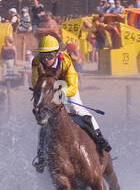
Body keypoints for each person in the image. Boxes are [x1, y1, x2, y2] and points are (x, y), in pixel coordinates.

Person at [31, 34, 110, 174]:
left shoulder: (66, 61)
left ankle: (100, 139)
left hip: (66, 88)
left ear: (56, 53)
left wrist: (61, 93)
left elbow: (73, 86)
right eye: (43, 55)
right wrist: (43, 97)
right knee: (44, 122)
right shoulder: (36, 62)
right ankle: (41, 157)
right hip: (49, 91)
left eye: (49, 55)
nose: (46, 59)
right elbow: (35, 82)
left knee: (80, 112)